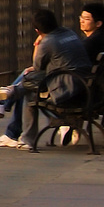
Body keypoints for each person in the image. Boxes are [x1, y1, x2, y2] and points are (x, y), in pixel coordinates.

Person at [12, 9, 94, 152]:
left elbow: (37, 67)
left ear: (37, 30)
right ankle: (8, 95)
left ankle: (27, 139)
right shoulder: (70, 33)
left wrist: (38, 44)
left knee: (30, 91)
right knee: (29, 81)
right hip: (86, 86)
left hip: (68, 92)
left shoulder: (47, 42)